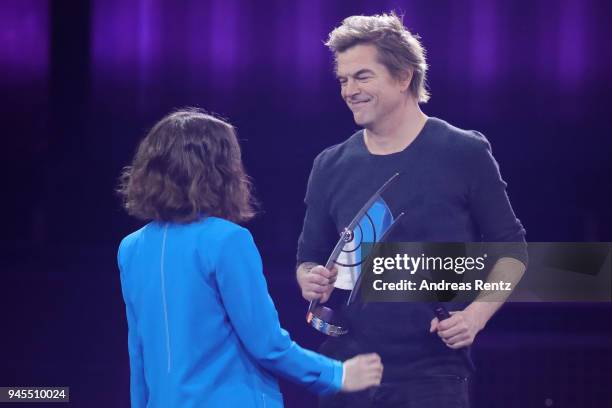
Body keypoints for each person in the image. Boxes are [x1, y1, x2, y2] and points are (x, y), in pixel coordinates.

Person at [296, 13, 527, 408]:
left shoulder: (464, 153)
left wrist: (475, 316)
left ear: (403, 77)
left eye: (362, 77)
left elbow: (513, 252)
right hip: (346, 372)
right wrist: (309, 279)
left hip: (431, 375)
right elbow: (308, 260)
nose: (349, 90)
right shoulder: (329, 165)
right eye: (343, 80)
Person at [116, 109, 383, 407]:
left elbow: (138, 352)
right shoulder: (227, 240)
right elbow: (266, 344)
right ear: (219, 170)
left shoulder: (131, 247)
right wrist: (337, 374)